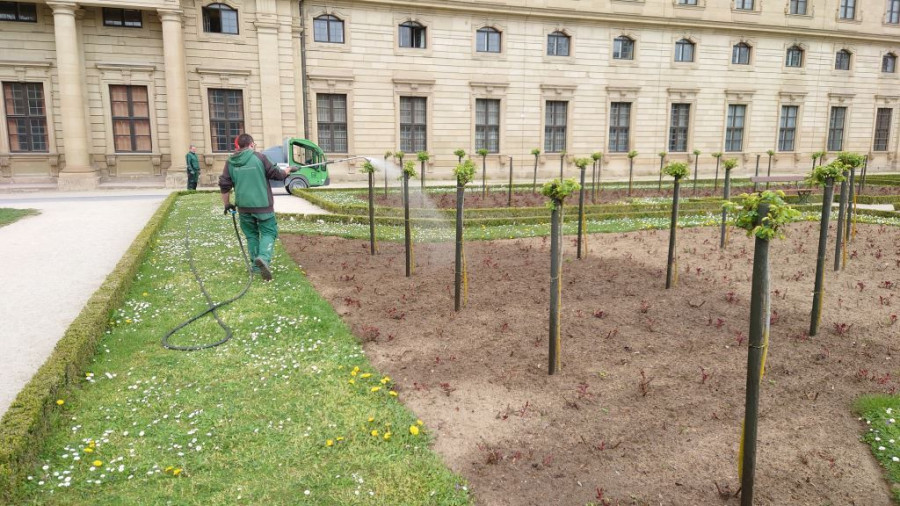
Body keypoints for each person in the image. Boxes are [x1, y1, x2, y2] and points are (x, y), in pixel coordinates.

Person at [219, 133, 292, 281]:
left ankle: (255, 266)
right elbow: (277, 174)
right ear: (252, 145)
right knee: (269, 232)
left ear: (238, 146)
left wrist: (227, 204)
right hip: (263, 205)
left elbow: (224, 186)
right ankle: (263, 258)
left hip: (244, 207)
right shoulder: (260, 157)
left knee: (252, 235)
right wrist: (288, 170)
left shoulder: (230, 162)